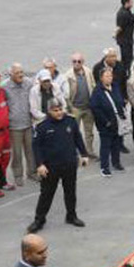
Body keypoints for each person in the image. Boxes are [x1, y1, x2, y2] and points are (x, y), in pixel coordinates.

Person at [29, 100, 88, 233]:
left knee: (70, 192)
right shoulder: (42, 126)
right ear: (49, 111)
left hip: (69, 164)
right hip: (51, 167)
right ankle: (39, 220)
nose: (59, 112)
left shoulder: (70, 121)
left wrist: (84, 154)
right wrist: (40, 164)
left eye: (60, 109)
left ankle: (71, 216)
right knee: (46, 194)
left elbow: (77, 138)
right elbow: (36, 146)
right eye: (55, 110)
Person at [91, 66, 127, 178]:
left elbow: (120, 99)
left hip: (117, 120)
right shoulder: (97, 91)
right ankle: (104, 167)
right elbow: (95, 108)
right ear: (101, 78)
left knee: (116, 142)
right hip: (105, 123)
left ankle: (116, 163)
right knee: (105, 145)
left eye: (110, 76)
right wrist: (106, 122)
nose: (109, 78)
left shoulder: (115, 86)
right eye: (107, 76)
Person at [59, 54, 97, 159]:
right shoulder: (68, 75)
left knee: (89, 132)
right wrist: (69, 107)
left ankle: (89, 151)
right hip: (75, 108)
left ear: (83, 62)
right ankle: (74, 153)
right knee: (74, 132)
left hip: (88, 107)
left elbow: (93, 85)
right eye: (74, 61)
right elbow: (66, 93)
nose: (76, 63)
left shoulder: (88, 72)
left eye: (79, 61)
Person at [5, 65, 37, 186]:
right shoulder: (5, 87)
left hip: (28, 123)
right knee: (17, 153)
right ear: (11, 74)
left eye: (22, 72)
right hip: (14, 126)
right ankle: (18, 175)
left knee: (31, 150)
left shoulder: (28, 83)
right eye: (17, 73)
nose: (21, 75)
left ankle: (32, 172)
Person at [115, 0, 134, 73]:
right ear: (126, 3)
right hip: (125, 40)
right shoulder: (123, 13)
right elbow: (119, 27)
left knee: (128, 58)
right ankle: (126, 73)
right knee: (127, 59)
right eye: (131, 2)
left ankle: (127, 72)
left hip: (128, 39)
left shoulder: (127, 11)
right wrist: (115, 34)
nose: (132, 4)